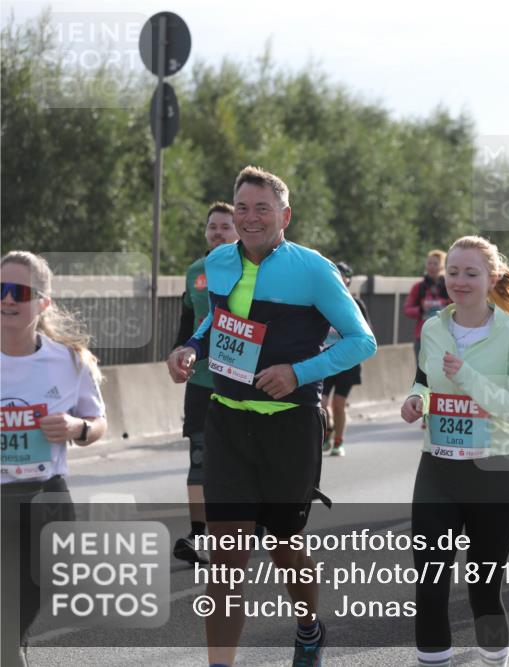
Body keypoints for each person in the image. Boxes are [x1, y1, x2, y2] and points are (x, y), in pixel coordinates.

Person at [166, 166, 377, 667]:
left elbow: (361, 340)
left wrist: (298, 372)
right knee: (225, 562)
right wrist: (190, 348)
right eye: (241, 207)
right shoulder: (217, 261)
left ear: (285, 215)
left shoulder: (313, 269)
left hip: (288, 427)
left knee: (285, 548)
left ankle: (308, 628)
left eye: (262, 208)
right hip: (227, 421)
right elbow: (217, 319)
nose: (249, 217)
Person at [400, 236, 509, 667]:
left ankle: (495, 658)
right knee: (430, 580)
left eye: (471, 273)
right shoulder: (433, 328)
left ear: (492, 278)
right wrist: (416, 400)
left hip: (494, 473)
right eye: (453, 272)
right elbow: (424, 380)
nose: (459, 281)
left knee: (484, 586)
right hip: (438, 468)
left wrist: (470, 378)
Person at [2, 251, 108, 667]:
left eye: (20, 292)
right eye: (0, 290)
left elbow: (98, 422)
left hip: (46, 498)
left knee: (30, 599)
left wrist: (76, 428)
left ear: (43, 302)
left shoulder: (69, 360)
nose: (8, 300)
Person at [171, 202, 240, 566]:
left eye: (225, 227)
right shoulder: (195, 272)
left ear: (238, 230)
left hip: (241, 381)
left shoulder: (253, 270)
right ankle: (199, 535)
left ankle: (247, 525)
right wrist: (178, 351)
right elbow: (187, 320)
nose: (217, 232)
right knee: (199, 457)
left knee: (239, 459)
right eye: (212, 226)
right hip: (200, 380)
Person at [320, 262, 371, 456]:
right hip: (326, 360)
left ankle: (338, 442)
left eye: (343, 276)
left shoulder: (356, 305)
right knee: (321, 404)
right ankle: (328, 432)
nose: (340, 279)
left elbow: (367, 336)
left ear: (348, 280)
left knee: (338, 404)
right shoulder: (322, 302)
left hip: (348, 363)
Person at [404, 250, 450, 363]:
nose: (432, 267)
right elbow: (407, 309)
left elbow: (459, 307)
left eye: (435, 263)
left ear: (443, 266)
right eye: (429, 263)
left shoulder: (450, 287)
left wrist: (446, 307)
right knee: (422, 374)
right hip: (423, 337)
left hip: (445, 337)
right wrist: (420, 309)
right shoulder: (419, 287)